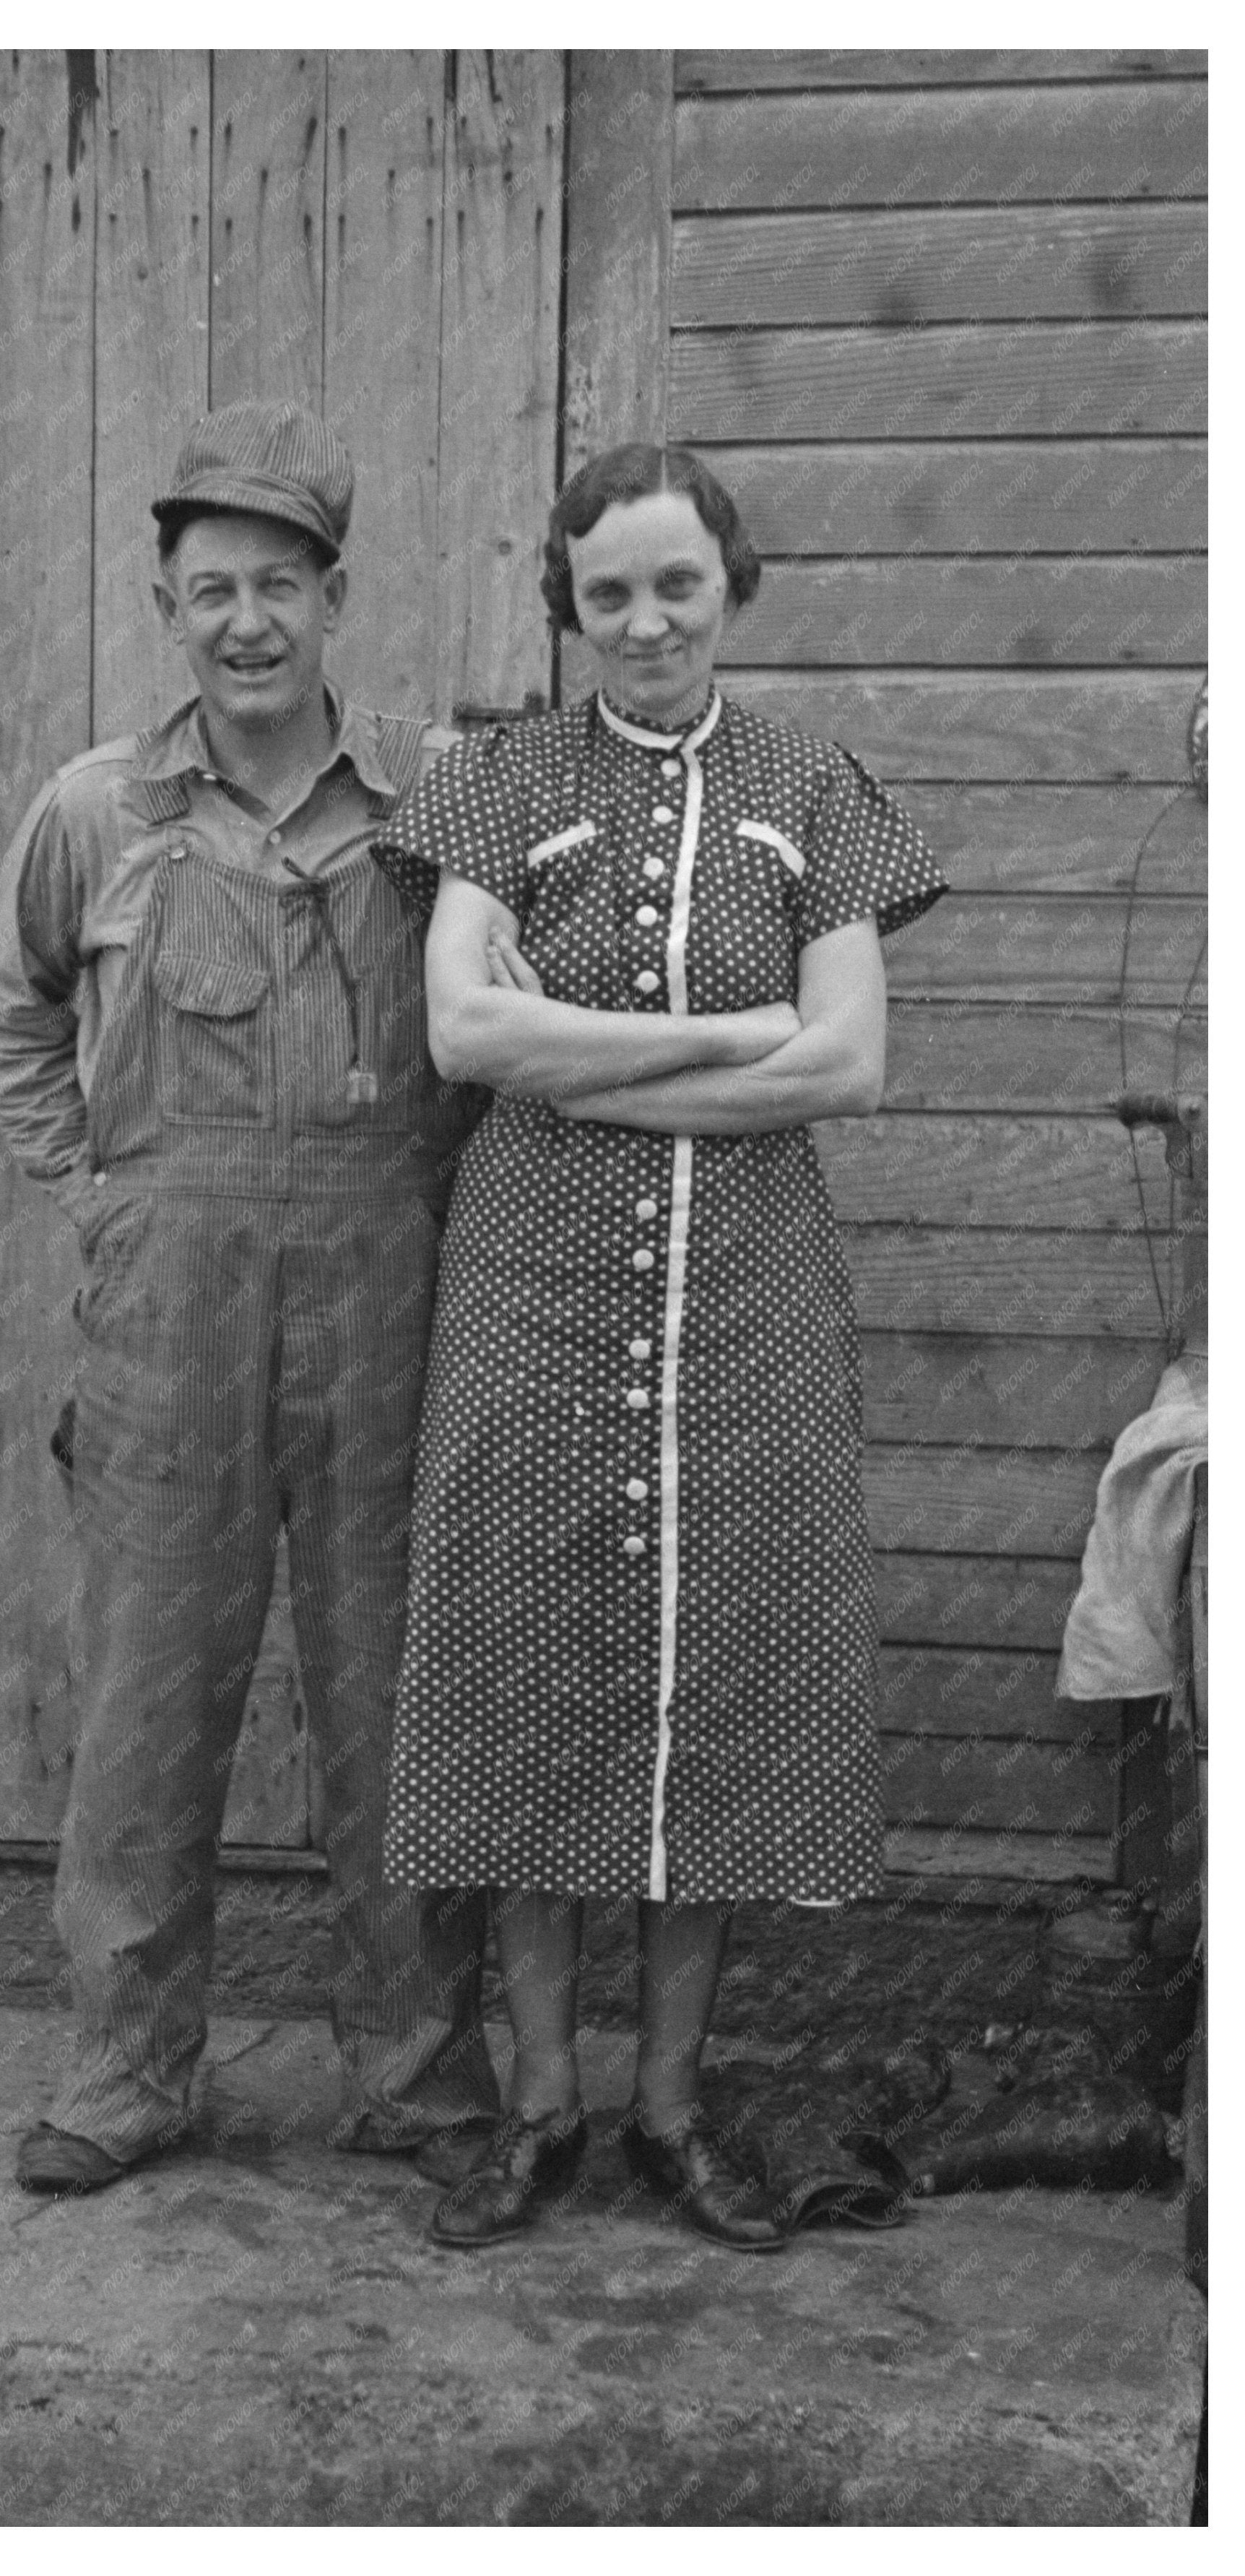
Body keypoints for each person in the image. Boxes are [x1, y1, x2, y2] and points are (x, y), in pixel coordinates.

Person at [376, 442, 947, 2252]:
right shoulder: (493, 788)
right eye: (608, 590)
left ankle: (672, 2111)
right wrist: (723, 1042)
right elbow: (466, 1032)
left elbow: (850, 1062)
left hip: (752, 1309)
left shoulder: (809, 792)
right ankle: (539, 2111)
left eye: (676, 585)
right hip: (532, 1297)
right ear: (568, 601)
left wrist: (591, 1061)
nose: (644, 623)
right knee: (531, 1686)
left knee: (724, 1703)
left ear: (731, 587)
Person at [0, 400, 500, 2194]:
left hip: (389, 1291)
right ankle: (129, 2073)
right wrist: (99, 1192)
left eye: (281, 583)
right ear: (167, 606)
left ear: (335, 596)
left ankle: (420, 2078)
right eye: (213, 591)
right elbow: (10, 1012)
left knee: (399, 1699)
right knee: (146, 1697)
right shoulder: (95, 809)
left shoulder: (436, 803)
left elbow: (505, 1030)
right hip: (169, 1304)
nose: (248, 619)